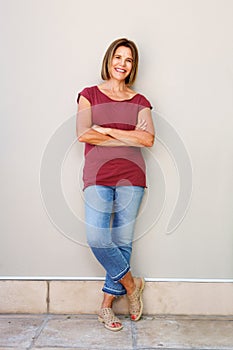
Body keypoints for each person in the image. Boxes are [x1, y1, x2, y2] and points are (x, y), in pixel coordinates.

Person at [76, 38, 155, 331]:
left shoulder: (140, 101)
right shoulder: (89, 95)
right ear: (109, 60)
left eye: (129, 59)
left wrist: (107, 130)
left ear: (133, 66)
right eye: (118, 57)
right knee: (98, 238)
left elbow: (147, 140)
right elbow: (84, 134)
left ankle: (105, 308)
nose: (122, 64)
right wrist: (128, 134)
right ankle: (133, 285)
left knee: (122, 242)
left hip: (132, 177)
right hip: (97, 176)